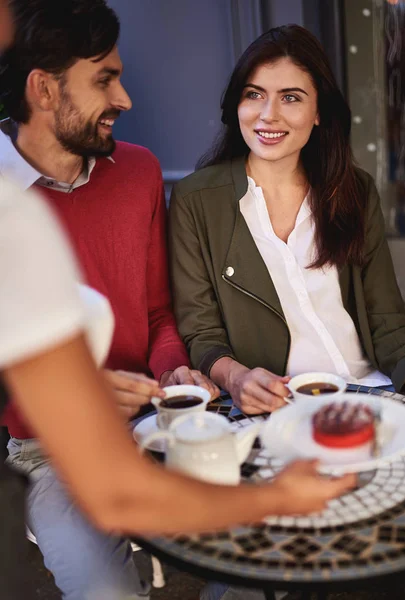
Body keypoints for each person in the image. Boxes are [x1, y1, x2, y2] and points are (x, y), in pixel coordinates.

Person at [0, 6, 356, 600]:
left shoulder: (137, 171)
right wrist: (62, 389)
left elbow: (162, 315)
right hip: (48, 452)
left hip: (165, 423)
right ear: (43, 88)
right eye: (104, 79)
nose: (127, 98)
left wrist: (173, 368)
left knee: (263, 560)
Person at [169, 24, 405, 421]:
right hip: (276, 408)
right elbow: (202, 334)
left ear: (319, 112)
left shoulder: (353, 190)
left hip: (372, 392)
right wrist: (237, 379)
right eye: (255, 95)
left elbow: (387, 319)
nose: (269, 115)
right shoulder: (195, 201)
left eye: (291, 98)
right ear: (237, 104)